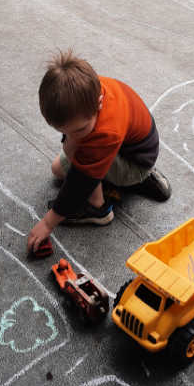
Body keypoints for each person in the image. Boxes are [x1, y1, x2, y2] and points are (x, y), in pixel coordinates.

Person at [27, 50, 170, 253]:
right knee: (58, 169)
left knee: (77, 162)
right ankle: (134, 180)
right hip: (134, 149)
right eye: (63, 131)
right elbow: (76, 143)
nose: (71, 135)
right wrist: (75, 138)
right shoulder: (87, 91)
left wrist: (49, 222)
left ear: (99, 104)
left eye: (79, 129)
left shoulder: (105, 132)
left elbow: (80, 182)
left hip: (135, 161)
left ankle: (98, 208)